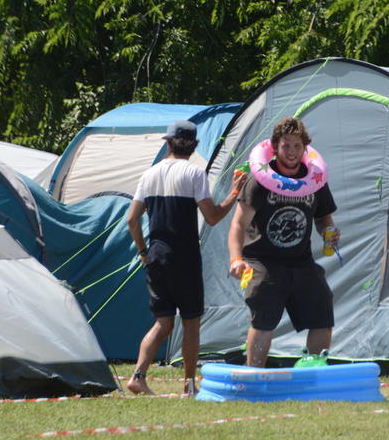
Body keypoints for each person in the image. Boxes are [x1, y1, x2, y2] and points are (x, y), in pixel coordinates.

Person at [126, 120, 247, 396]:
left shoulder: (149, 174)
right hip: (184, 255)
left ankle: (138, 375)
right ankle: (189, 386)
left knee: (163, 322)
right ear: (193, 145)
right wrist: (235, 193)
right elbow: (213, 217)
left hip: (156, 255)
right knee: (191, 321)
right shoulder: (194, 173)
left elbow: (132, 220)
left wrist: (144, 252)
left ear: (168, 142)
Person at [227, 117, 339, 367]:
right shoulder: (260, 180)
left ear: (305, 148)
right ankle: (254, 373)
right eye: (286, 145)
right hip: (262, 260)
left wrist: (329, 230)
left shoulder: (314, 179)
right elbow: (238, 224)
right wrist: (236, 259)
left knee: (322, 306)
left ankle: (312, 370)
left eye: (297, 146)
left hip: (301, 261)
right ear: (275, 147)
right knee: (264, 316)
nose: (291, 152)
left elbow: (324, 218)